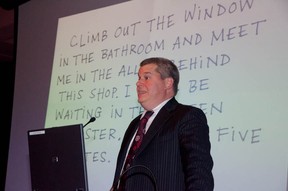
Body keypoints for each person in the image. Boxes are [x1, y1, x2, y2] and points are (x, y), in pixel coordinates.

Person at [110, 57, 214, 191]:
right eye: (139, 77)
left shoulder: (186, 116)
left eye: (146, 78)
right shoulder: (134, 124)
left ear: (168, 83)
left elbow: (199, 172)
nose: (138, 83)